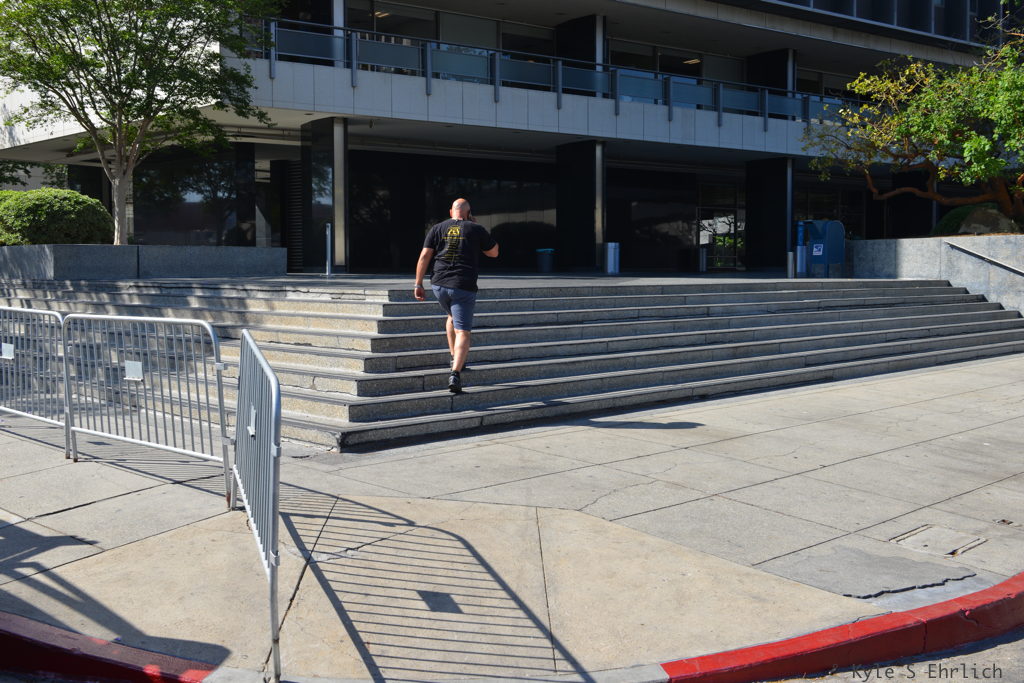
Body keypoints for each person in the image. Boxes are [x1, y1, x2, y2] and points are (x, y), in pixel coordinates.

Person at [414, 198, 499, 393]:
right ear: (468, 213)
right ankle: (455, 374)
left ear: (451, 212)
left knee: (451, 316)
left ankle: (455, 357)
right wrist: (476, 229)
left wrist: (418, 283)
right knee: (463, 332)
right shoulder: (475, 228)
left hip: (439, 285)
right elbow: (494, 252)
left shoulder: (437, 228)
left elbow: (424, 256)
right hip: (462, 285)